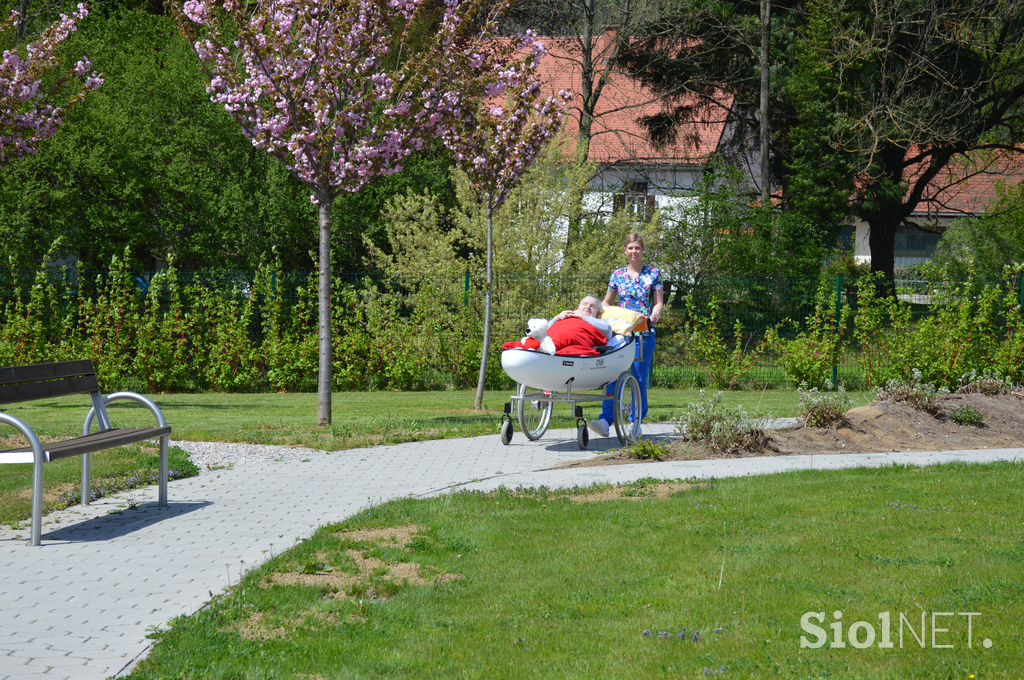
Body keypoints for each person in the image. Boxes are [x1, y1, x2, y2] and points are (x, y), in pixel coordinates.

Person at [589, 232, 663, 438]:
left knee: (639, 378)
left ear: (643, 250)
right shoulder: (617, 275)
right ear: (625, 250)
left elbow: (658, 301)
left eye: (637, 248)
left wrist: (654, 314)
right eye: (630, 248)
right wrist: (598, 315)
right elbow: (607, 302)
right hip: (621, 334)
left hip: (644, 332)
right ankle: (605, 420)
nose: (634, 251)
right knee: (612, 375)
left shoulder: (653, 273)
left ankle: (636, 421)